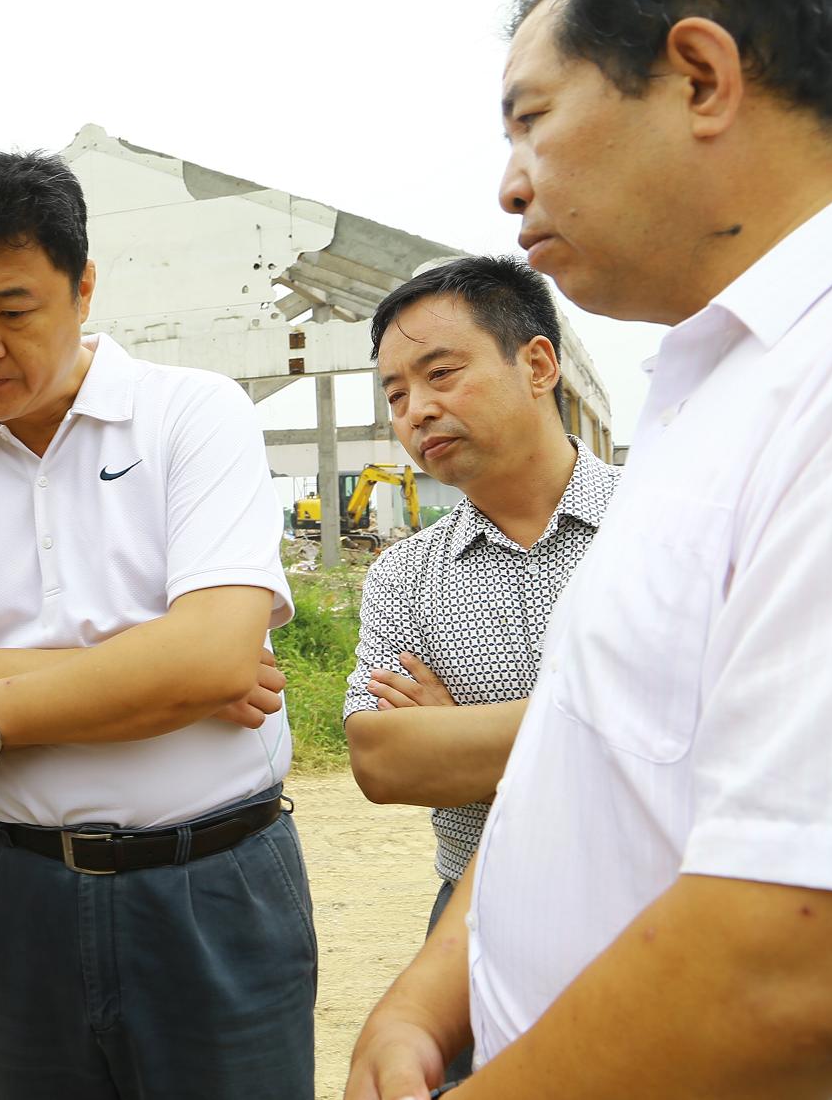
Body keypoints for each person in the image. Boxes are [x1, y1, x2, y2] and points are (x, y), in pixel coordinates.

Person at [345, 0, 832, 1100]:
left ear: (698, 76)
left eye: (530, 116)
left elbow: (798, 954)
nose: (507, 178)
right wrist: (433, 988)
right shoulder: (711, 381)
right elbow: (582, 763)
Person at [0, 149, 313, 1099]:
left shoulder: (193, 416)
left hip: (212, 877)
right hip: (20, 890)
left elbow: (207, 659)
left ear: (82, 289)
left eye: (13, 308)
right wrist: (163, 663)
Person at [341, 256, 621, 1084]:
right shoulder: (405, 572)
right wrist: (616, 728)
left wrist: (464, 738)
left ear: (538, 364)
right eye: (395, 394)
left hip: (660, 901)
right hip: (478, 918)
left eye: (441, 373)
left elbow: (716, 743)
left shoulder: (661, 529)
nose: (417, 408)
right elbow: (381, 759)